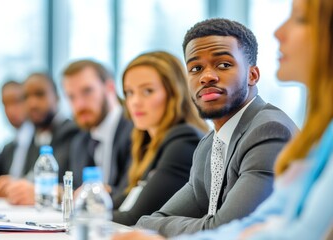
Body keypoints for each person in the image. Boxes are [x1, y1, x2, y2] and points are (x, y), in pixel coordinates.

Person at [113, 0, 333, 239]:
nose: (207, 77)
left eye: (224, 64)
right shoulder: (209, 145)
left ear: (252, 75)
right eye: (195, 69)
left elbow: (226, 228)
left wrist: (168, 231)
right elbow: (150, 220)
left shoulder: (270, 130)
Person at [112, 51, 209, 226]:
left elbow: (137, 219)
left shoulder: (184, 142)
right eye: (129, 92)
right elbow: (120, 203)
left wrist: (80, 215)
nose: (134, 101)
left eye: (147, 91)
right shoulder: (146, 142)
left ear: (174, 94)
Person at [0, 73, 80, 205]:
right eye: (26, 97)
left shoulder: (73, 133)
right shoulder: (35, 136)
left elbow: (74, 186)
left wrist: (41, 192)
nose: (32, 103)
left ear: (56, 97)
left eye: (40, 94)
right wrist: (14, 185)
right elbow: (31, 176)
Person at [62, 59, 133, 192]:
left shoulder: (135, 130)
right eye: (71, 97)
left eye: (87, 91)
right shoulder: (80, 141)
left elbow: (132, 195)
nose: (79, 105)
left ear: (110, 88)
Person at [0, 80, 34, 181]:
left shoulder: (42, 141)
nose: (10, 110)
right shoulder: (8, 149)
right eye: (5, 104)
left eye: (15, 101)